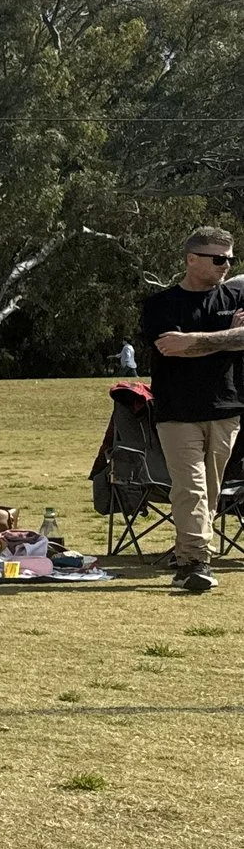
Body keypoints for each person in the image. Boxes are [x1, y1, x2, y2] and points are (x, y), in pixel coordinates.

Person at [141, 225, 244, 594]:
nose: (226, 266)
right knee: (191, 486)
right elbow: (171, 348)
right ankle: (199, 560)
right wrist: (226, 339)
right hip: (177, 411)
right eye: (218, 259)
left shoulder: (236, 295)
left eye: (230, 259)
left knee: (210, 491)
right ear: (191, 259)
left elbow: (234, 340)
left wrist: (197, 340)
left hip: (226, 409)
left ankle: (186, 559)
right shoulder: (160, 305)